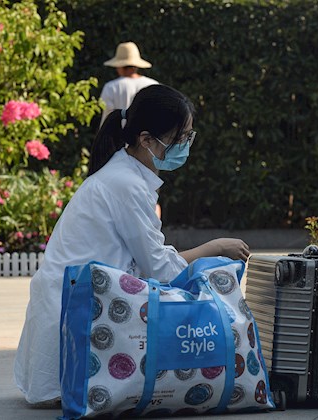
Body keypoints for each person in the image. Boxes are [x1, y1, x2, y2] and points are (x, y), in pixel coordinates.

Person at [14, 84, 250, 405]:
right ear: (147, 140)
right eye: (180, 138)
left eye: (189, 137)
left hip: (72, 313)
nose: (185, 146)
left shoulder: (124, 174)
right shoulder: (125, 184)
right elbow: (161, 268)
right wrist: (216, 247)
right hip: (74, 324)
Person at [99, 41, 159, 126]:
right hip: (146, 137)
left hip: (119, 136)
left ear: (119, 66)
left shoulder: (111, 87)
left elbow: (107, 117)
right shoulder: (153, 85)